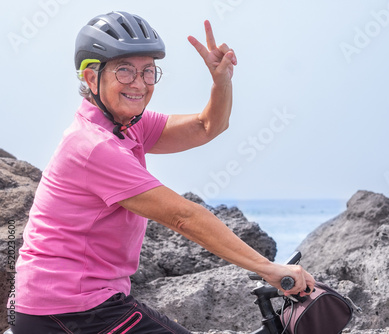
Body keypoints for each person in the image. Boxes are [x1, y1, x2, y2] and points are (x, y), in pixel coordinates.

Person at [10, 10, 315, 334]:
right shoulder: (93, 146)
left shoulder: (127, 127)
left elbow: (206, 126)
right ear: (90, 78)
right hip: (72, 312)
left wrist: (221, 82)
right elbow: (183, 216)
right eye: (125, 71)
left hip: (73, 307)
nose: (139, 84)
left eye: (148, 72)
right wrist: (268, 269)